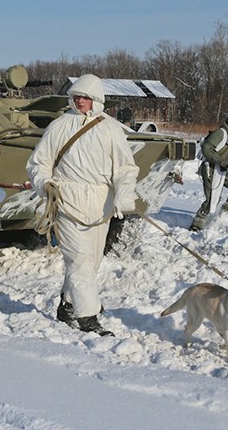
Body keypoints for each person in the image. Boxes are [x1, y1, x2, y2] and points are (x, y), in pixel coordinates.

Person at [26, 74, 139, 336]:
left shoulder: (111, 129)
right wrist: (45, 184)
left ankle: (67, 305)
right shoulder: (59, 126)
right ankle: (88, 318)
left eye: (85, 97)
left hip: (101, 205)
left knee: (92, 262)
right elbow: (38, 163)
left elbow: (124, 167)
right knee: (80, 263)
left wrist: (124, 195)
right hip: (67, 200)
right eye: (76, 96)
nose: (80, 101)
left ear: (96, 99)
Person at [189, 112, 228, 232]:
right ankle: (197, 223)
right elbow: (207, 148)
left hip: (222, 168)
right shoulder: (220, 133)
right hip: (210, 168)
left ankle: (225, 213)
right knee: (212, 199)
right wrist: (221, 162)